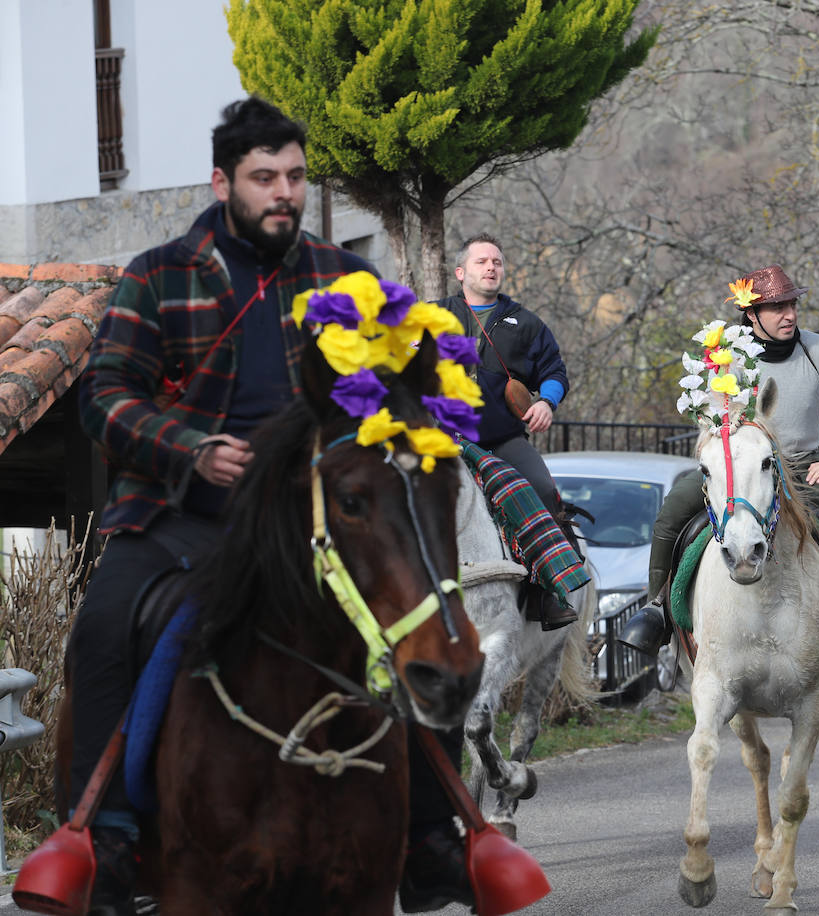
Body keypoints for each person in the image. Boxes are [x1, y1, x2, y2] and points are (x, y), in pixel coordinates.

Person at [70, 97, 474, 915]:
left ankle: (436, 836)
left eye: (293, 176)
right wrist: (191, 448)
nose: (283, 192)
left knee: (429, 621)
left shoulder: (349, 280)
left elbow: (396, 384)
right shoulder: (158, 274)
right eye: (264, 179)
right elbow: (104, 394)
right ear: (224, 183)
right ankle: (99, 837)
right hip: (185, 514)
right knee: (107, 624)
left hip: (318, 515)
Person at [619, 265, 819, 659]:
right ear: (751, 314)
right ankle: (656, 611)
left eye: (791, 304)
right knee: (674, 507)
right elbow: (709, 421)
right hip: (739, 469)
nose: (789, 314)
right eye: (776, 307)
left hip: (805, 470)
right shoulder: (724, 357)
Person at [437, 233, 579, 629]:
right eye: (482, 261)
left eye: (497, 262)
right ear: (461, 272)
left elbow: (554, 372)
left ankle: (549, 593)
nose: (491, 268)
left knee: (544, 490)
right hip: (440, 439)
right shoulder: (432, 317)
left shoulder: (526, 323)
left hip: (502, 441)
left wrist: (545, 402)